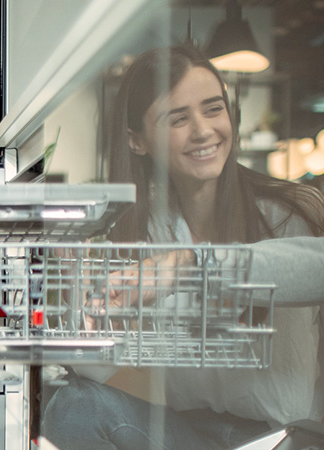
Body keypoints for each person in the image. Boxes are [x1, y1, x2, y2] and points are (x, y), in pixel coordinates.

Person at [42, 45, 324, 449]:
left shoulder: (286, 210)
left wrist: (187, 265)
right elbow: (102, 373)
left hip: (285, 438)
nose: (204, 130)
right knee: (72, 405)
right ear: (137, 141)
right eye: (178, 118)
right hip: (188, 434)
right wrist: (93, 315)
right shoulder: (143, 229)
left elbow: (317, 268)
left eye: (213, 109)